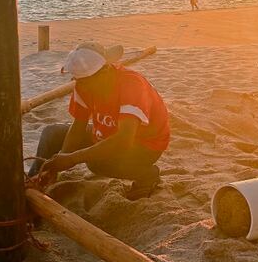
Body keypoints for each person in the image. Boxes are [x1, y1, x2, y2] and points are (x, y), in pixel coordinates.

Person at [28, 42, 170, 201]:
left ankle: (147, 175)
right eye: (77, 80)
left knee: (96, 164)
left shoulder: (131, 85)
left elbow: (124, 140)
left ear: (105, 71)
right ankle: (35, 181)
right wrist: (61, 159)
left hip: (144, 144)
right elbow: (78, 126)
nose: (81, 86)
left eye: (85, 81)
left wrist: (73, 158)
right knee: (51, 134)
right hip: (105, 132)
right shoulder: (84, 84)